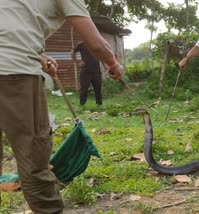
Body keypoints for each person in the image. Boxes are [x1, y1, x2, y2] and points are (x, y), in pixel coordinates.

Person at [0, 1, 124, 213]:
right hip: (14, 74)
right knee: (34, 163)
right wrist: (113, 64)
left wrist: (38, 56)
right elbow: (97, 43)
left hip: (11, 62)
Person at [71, 41, 103, 108]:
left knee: (98, 89)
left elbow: (103, 55)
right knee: (84, 89)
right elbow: (72, 53)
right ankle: (82, 105)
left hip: (96, 71)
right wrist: (77, 61)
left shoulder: (97, 43)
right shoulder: (81, 44)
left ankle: (99, 105)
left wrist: (107, 67)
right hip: (85, 71)